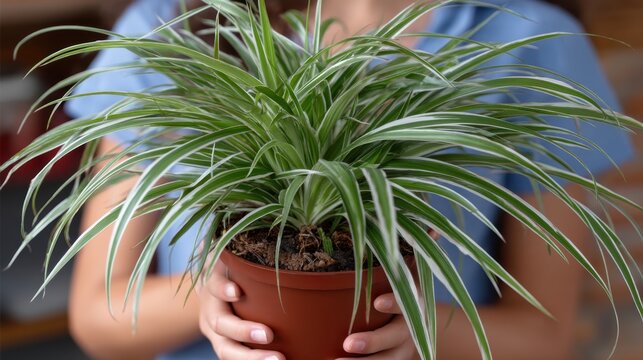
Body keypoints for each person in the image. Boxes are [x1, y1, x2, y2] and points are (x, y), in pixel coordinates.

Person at [65, 1, 634, 359]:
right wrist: (224, 302)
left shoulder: (529, 38)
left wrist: (416, 329)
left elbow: (544, 339)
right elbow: (97, 321)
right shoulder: (172, 25)